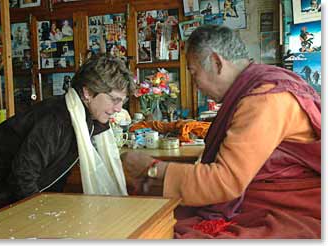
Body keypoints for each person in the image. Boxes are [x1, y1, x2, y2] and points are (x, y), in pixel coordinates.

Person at [121, 24, 321, 238]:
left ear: (217, 63)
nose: (195, 84)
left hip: (291, 210)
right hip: (263, 199)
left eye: (194, 73)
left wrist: (151, 168)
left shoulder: (265, 99)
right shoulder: (261, 87)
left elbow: (225, 181)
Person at [0, 53, 135, 220]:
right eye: (114, 100)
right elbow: (23, 176)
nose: (119, 108)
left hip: (7, 193)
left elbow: (57, 171)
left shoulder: (85, 117)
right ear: (88, 92)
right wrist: (42, 216)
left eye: (122, 101)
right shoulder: (56, 120)